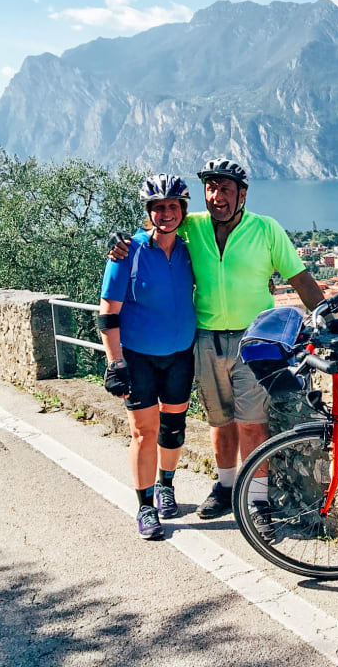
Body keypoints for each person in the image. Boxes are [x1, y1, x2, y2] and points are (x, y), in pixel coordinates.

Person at [109, 158, 338, 520]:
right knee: (219, 423)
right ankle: (225, 488)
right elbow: (158, 225)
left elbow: (299, 278)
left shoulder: (266, 229)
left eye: (225, 188)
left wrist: (328, 315)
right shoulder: (193, 226)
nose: (217, 196)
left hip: (253, 340)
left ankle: (256, 500)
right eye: (211, 188)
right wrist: (118, 241)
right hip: (205, 339)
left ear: (242, 194)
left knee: (252, 423)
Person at [99, 174, 196, 540]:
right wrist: (115, 362)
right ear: (148, 212)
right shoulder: (127, 252)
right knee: (144, 432)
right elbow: (108, 312)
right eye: (158, 207)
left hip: (180, 354)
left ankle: (167, 484)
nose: (166, 213)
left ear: (182, 211)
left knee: (173, 428)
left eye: (172, 206)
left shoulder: (189, 250)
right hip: (137, 357)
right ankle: (145, 505)